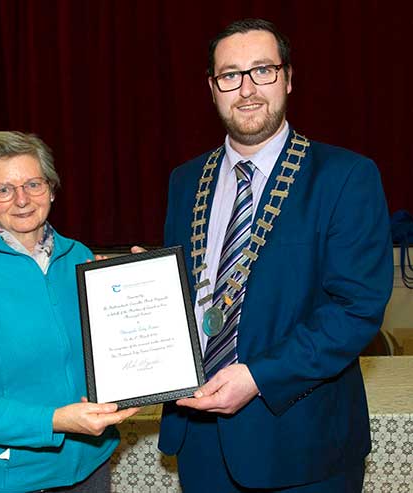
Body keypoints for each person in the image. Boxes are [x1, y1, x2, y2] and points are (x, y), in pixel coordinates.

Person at [157, 18, 393, 492]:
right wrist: (139, 287)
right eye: (230, 75)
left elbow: (356, 308)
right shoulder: (186, 180)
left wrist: (258, 376)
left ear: (288, 78)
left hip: (303, 444)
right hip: (200, 444)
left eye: (262, 70)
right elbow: (189, 291)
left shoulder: (345, 176)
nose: (246, 89)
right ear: (212, 87)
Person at [0, 131, 138, 493]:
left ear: (52, 190)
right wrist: (54, 420)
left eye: (33, 184)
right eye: (4, 190)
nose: (22, 200)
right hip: (12, 477)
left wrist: (135, 295)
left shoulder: (80, 258)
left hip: (91, 467)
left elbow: (106, 356)